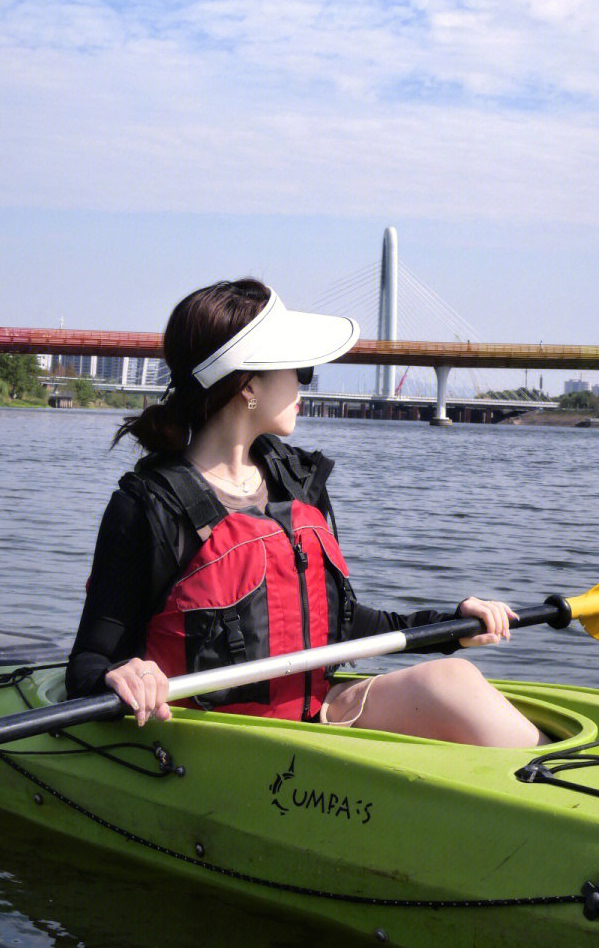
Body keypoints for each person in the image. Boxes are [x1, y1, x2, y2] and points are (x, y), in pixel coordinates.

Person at [67, 278, 546, 747]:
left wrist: (451, 624)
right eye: (298, 369)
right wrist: (122, 673)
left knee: (454, 679)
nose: (304, 382)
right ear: (248, 383)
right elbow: (88, 663)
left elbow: (339, 625)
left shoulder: (296, 482)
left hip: (313, 718)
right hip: (213, 743)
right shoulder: (147, 506)